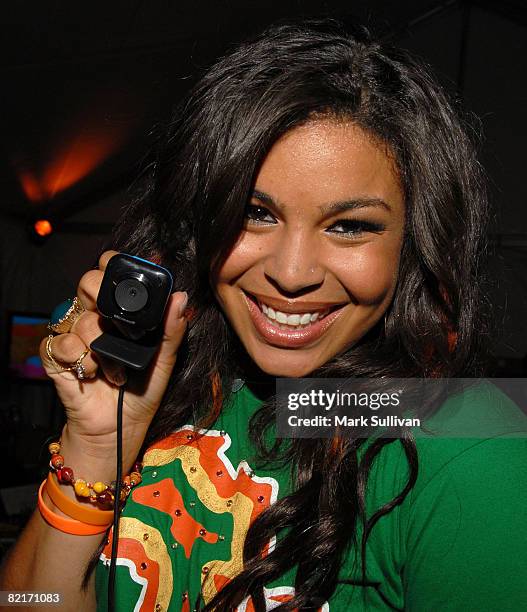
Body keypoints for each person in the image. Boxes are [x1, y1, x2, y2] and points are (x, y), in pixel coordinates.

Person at [2, 18, 527, 612]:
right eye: (255, 212)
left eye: (350, 226)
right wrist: (93, 449)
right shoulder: (166, 377)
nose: (293, 272)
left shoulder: (469, 449)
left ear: (415, 243)